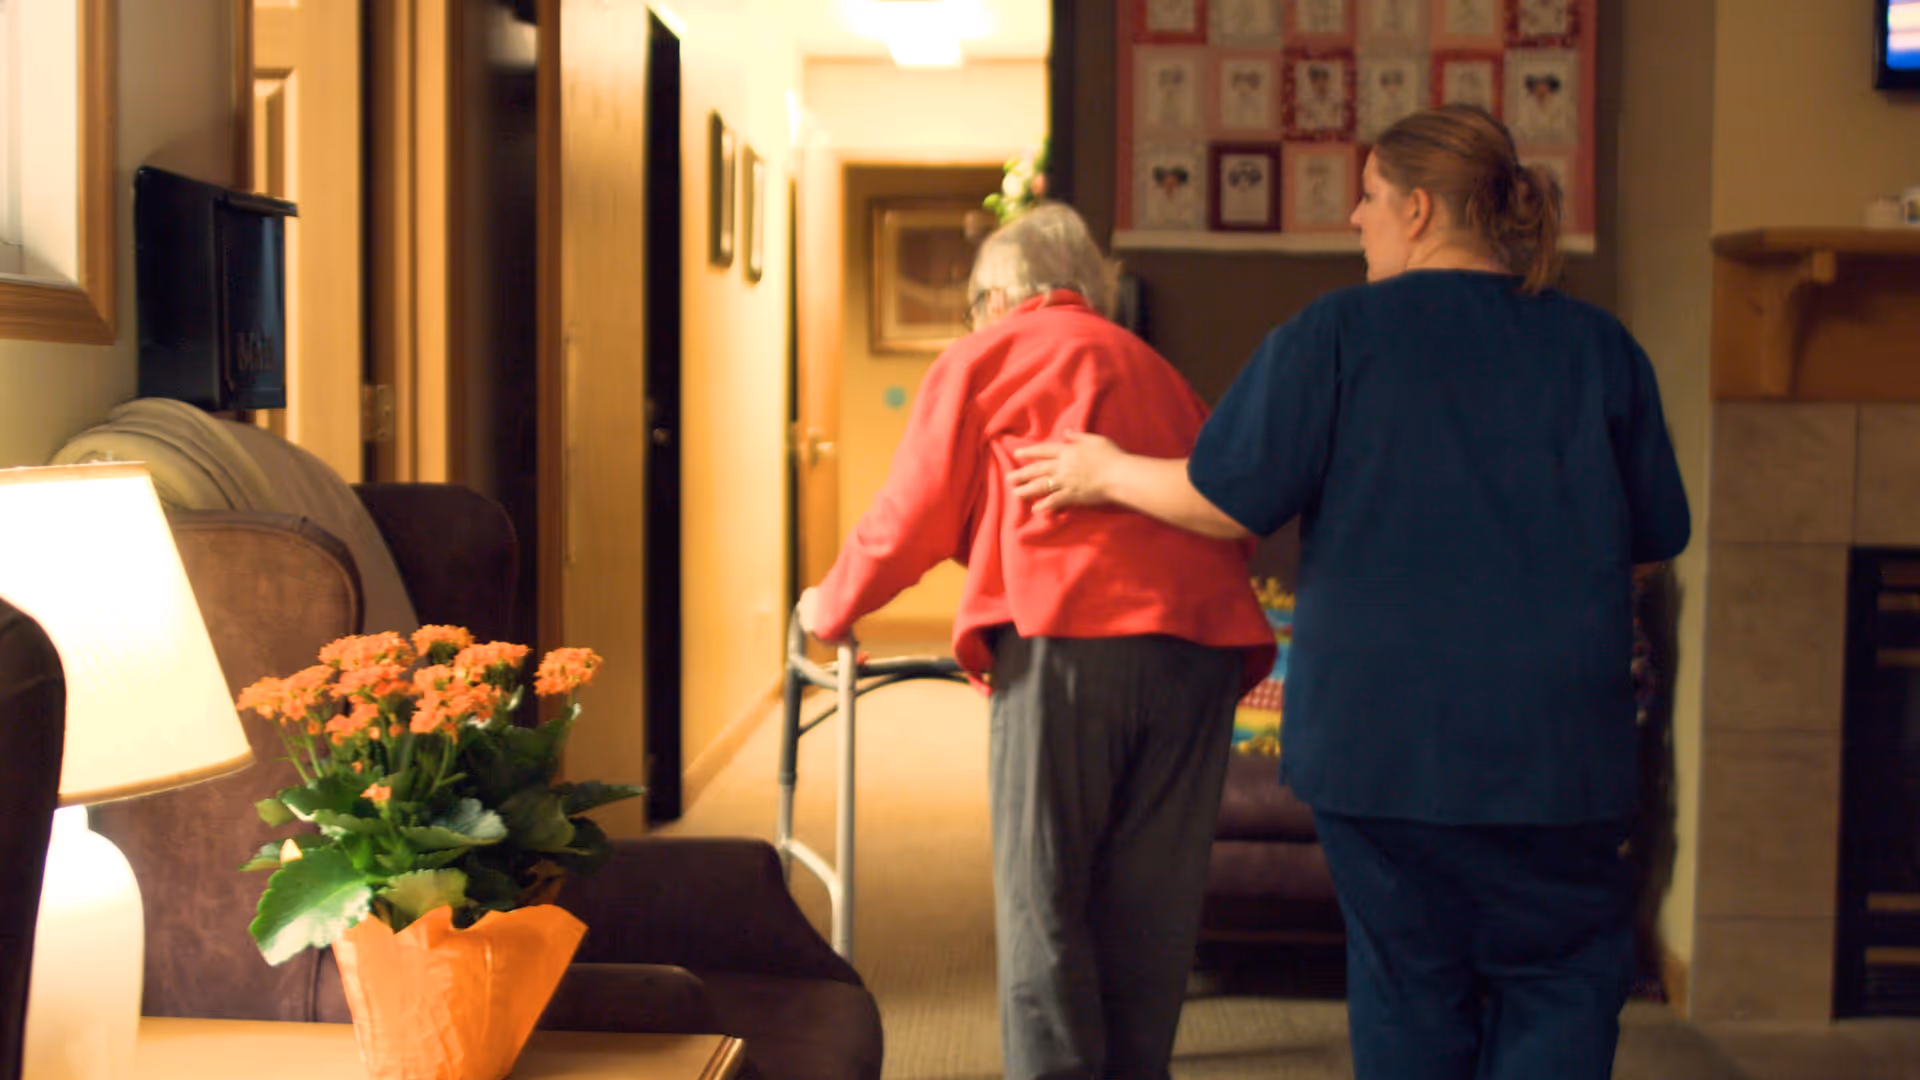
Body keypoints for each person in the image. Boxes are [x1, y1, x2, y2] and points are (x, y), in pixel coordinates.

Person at [1007, 105, 1690, 1080]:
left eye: (1367, 199)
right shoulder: (1601, 348)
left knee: (1412, 993)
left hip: (1385, 758)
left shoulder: (1334, 334)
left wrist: (1103, 470)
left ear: (1416, 208)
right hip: (1561, 759)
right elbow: (1650, 547)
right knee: (1560, 991)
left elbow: (1220, 496)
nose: (1357, 221)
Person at [796, 202, 1276, 1080]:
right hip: (1204, 648)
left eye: (975, 306)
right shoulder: (1157, 371)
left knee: (1043, 899)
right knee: (1151, 908)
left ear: (998, 294)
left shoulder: (986, 354)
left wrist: (828, 606)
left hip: (1070, 641)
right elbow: (1232, 514)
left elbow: (910, 518)